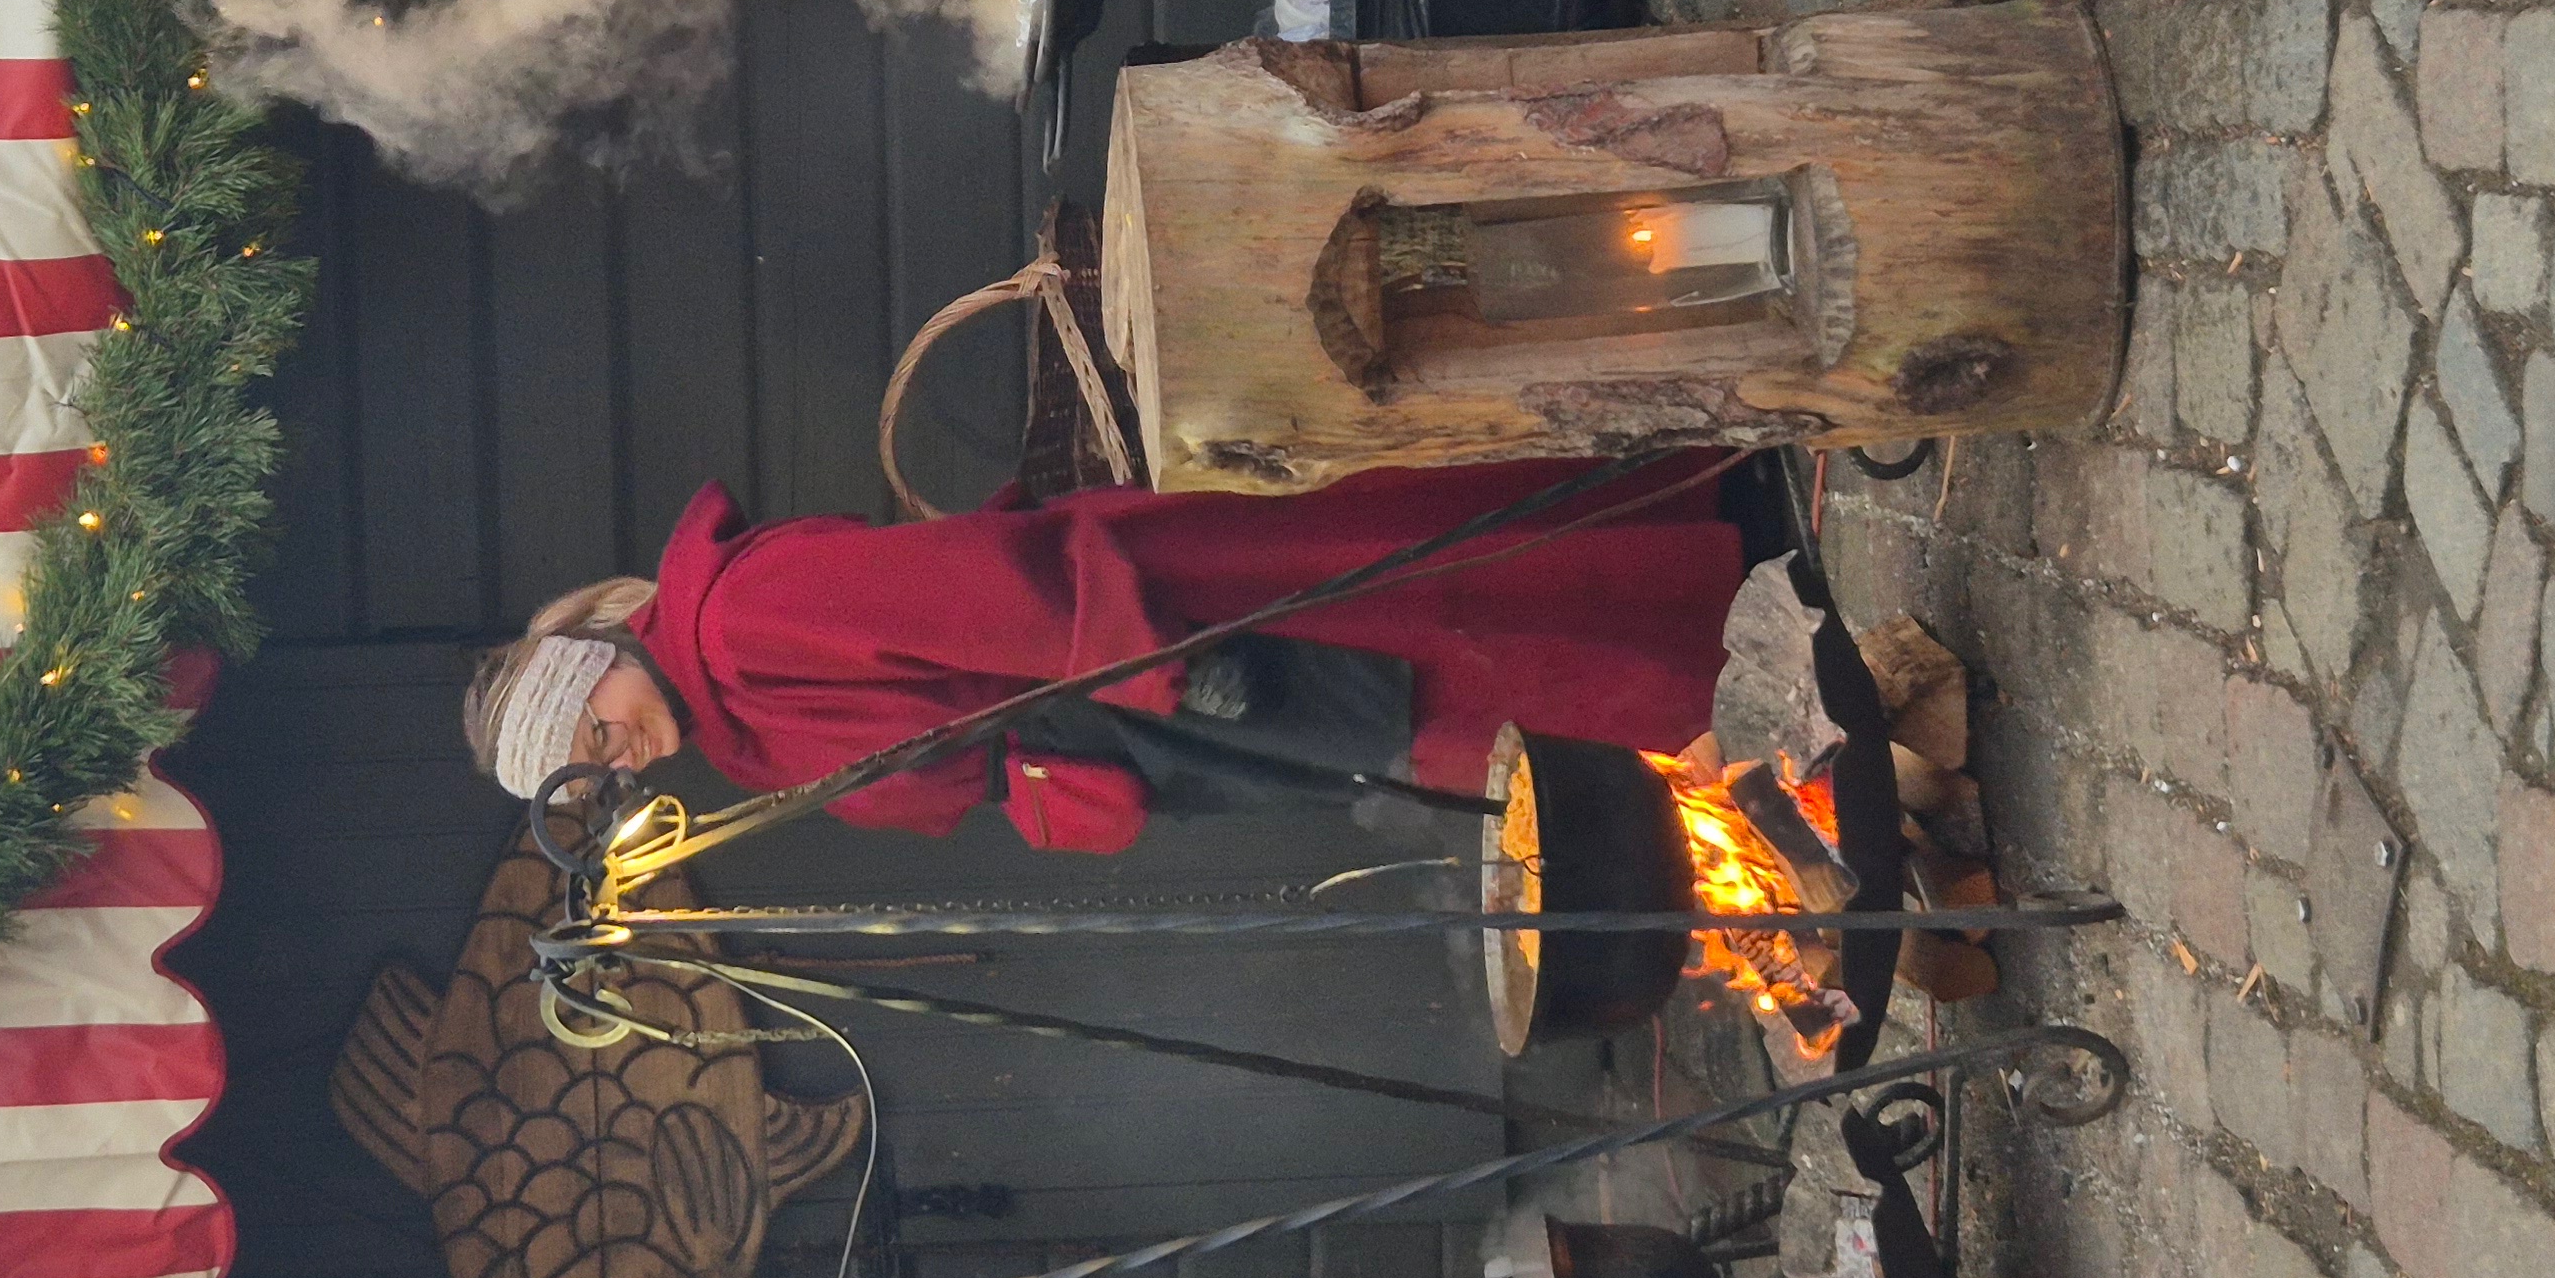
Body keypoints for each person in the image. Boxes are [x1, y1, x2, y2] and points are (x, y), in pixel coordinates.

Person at [460, 461, 1747, 854]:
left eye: (593, 727)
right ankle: (1719, 733)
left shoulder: (740, 619)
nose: (616, 756)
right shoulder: (739, 743)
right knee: (1440, 719)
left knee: (1443, 652)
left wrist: (1155, 670)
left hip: (1158, 636)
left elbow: (980, 597)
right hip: (1138, 721)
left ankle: (1719, 664)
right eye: (596, 770)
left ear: (602, 657)